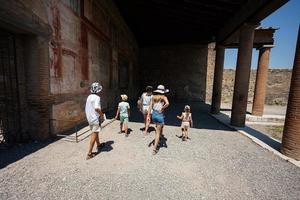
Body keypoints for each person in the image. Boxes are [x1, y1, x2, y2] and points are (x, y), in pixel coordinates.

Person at [147, 85, 169, 155]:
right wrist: (162, 108)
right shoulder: (163, 97)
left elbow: (150, 106)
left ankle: (159, 139)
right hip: (159, 114)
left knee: (159, 127)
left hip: (154, 114)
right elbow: (167, 103)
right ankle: (154, 149)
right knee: (158, 132)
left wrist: (148, 116)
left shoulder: (153, 97)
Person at [85, 82, 104, 160]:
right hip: (95, 118)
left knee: (95, 132)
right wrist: (102, 115)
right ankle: (89, 153)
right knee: (94, 133)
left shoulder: (89, 97)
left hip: (89, 118)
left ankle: (99, 144)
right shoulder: (97, 97)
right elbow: (96, 108)